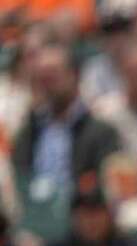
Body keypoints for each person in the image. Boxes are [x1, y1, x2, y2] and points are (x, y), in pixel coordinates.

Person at [12, 43, 122, 191]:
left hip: (80, 208)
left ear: (74, 75)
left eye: (54, 76)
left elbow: (106, 185)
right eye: (43, 79)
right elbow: (20, 177)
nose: (48, 84)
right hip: (36, 207)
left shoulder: (100, 131)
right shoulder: (29, 132)